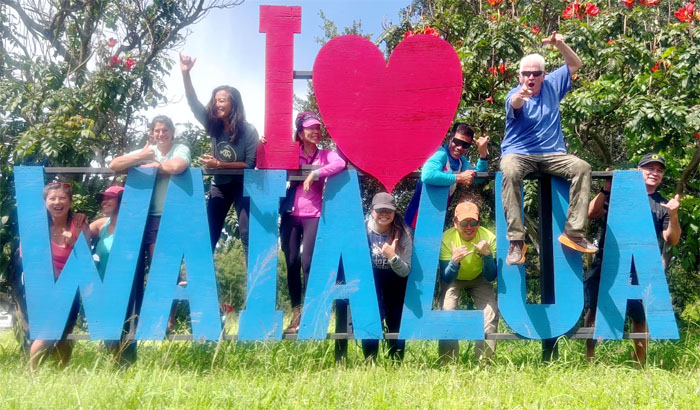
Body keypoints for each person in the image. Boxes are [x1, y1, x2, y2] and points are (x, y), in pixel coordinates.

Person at [501, 32, 597, 266]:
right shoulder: (514, 95)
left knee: (582, 168)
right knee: (510, 170)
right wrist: (520, 97)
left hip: (553, 154)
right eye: (526, 73)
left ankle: (574, 233)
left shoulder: (553, 85)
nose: (530, 77)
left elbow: (575, 64)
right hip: (519, 153)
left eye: (535, 73)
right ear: (519, 76)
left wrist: (560, 43)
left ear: (544, 76)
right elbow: (514, 104)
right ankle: (516, 241)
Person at [584, 153, 681, 363]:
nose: (655, 173)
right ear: (639, 170)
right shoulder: (619, 194)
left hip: (642, 268)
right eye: (650, 168)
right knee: (594, 308)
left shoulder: (663, 204)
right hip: (609, 262)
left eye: (659, 170)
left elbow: (671, 239)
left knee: (640, 316)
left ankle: (638, 365)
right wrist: (606, 189)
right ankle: (589, 358)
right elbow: (592, 213)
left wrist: (673, 215)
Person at [109, 115, 191, 342]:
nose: (161, 134)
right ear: (152, 133)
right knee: (134, 268)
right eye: (157, 131)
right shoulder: (146, 150)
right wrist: (141, 156)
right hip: (140, 216)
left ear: (172, 132)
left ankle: (168, 317)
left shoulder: (180, 148)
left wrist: (155, 166)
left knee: (162, 265)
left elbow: (179, 165)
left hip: (167, 215)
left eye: (165, 130)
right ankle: (134, 320)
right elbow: (115, 165)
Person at [180, 54, 259, 254]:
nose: (217, 104)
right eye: (215, 101)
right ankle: (196, 279)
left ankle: (255, 282)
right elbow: (192, 102)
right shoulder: (213, 125)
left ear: (234, 104)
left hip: (243, 186)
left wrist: (219, 164)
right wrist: (185, 73)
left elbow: (249, 165)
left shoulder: (249, 131)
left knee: (247, 233)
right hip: (220, 186)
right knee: (210, 232)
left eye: (222, 100)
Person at [279, 112, 346, 334]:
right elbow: (270, 159)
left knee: (308, 263)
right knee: (291, 262)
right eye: (310, 128)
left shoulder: (326, 154)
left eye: (318, 128)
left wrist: (316, 173)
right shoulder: (291, 152)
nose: (315, 131)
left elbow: (340, 164)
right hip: (290, 214)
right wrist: (263, 145)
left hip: (314, 215)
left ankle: (310, 313)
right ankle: (296, 312)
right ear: (300, 132)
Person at [29, 182, 89, 371]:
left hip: (70, 288)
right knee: (46, 333)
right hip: (45, 288)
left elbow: (85, 256)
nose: (57, 202)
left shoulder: (79, 224)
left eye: (62, 198)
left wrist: (73, 241)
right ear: (45, 202)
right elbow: (28, 257)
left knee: (65, 333)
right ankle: (32, 375)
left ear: (70, 202)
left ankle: (59, 374)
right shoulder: (38, 228)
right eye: (52, 198)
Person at [438, 201, 498, 361]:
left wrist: (487, 256)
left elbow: (491, 276)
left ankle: (484, 362)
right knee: (447, 310)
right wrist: (454, 262)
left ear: (479, 222)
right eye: (464, 222)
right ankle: (448, 363)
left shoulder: (489, 238)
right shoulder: (446, 238)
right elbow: (446, 277)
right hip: (454, 279)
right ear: (455, 223)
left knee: (490, 312)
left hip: (479, 278)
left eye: (474, 222)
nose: (469, 227)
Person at [404, 123, 489, 229]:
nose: (459, 147)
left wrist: (483, 155)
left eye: (465, 145)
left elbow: (477, 178)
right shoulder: (440, 153)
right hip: (416, 220)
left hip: (437, 219)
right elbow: (427, 175)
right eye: (457, 142)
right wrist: (458, 178)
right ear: (450, 138)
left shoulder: (461, 161)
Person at [361, 192, 413, 362]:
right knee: (370, 315)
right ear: (372, 210)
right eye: (380, 210)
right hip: (371, 278)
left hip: (395, 278)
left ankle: (396, 360)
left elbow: (405, 271)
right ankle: (370, 360)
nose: (384, 214)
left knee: (395, 317)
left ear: (394, 212)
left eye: (388, 210)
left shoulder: (403, 234)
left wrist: (392, 256)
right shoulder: (362, 229)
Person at [90, 185, 124, 278]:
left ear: (122, 200)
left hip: (124, 286)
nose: (104, 202)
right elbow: (78, 236)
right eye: (103, 199)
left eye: (109, 198)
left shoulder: (135, 227)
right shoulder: (101, 224)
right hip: (99, 286)